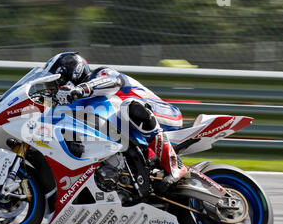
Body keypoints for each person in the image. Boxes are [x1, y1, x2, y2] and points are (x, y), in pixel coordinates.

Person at [44, 51, 189, 191]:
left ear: (71, 75)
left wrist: (79, 89)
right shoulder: (75, 104)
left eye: (54, 84)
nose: (53, 91)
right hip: (134, 133)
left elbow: (114, 81)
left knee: (130, 107)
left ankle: (174, 165)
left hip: (164, 114)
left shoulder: (101, 74)